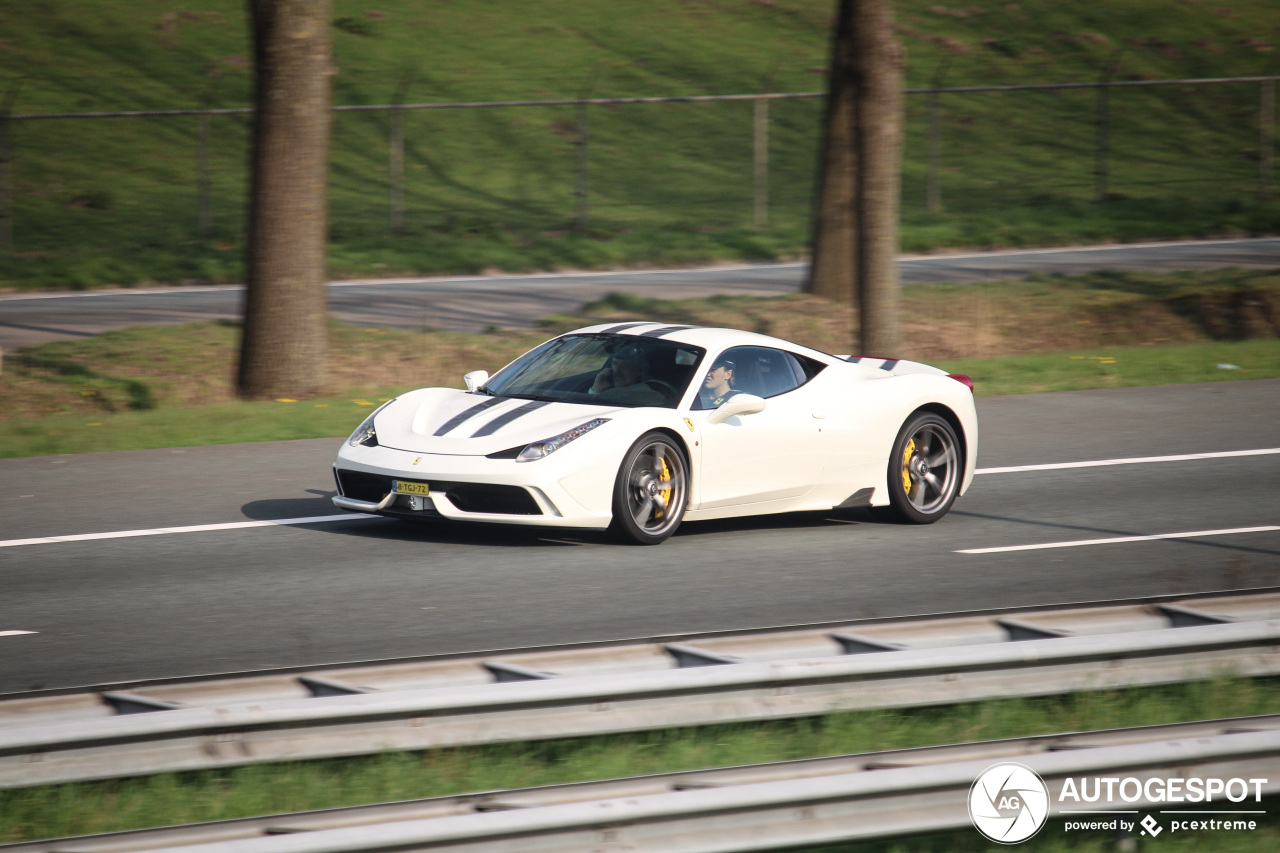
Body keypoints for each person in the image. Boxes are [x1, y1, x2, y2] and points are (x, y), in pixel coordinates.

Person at [589, 345, 668, 406]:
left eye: (623, 366)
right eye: (614, 364)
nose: (617, 370)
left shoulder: (649, 394)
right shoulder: (607, 388)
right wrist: (596, 389)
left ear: (639, 371)